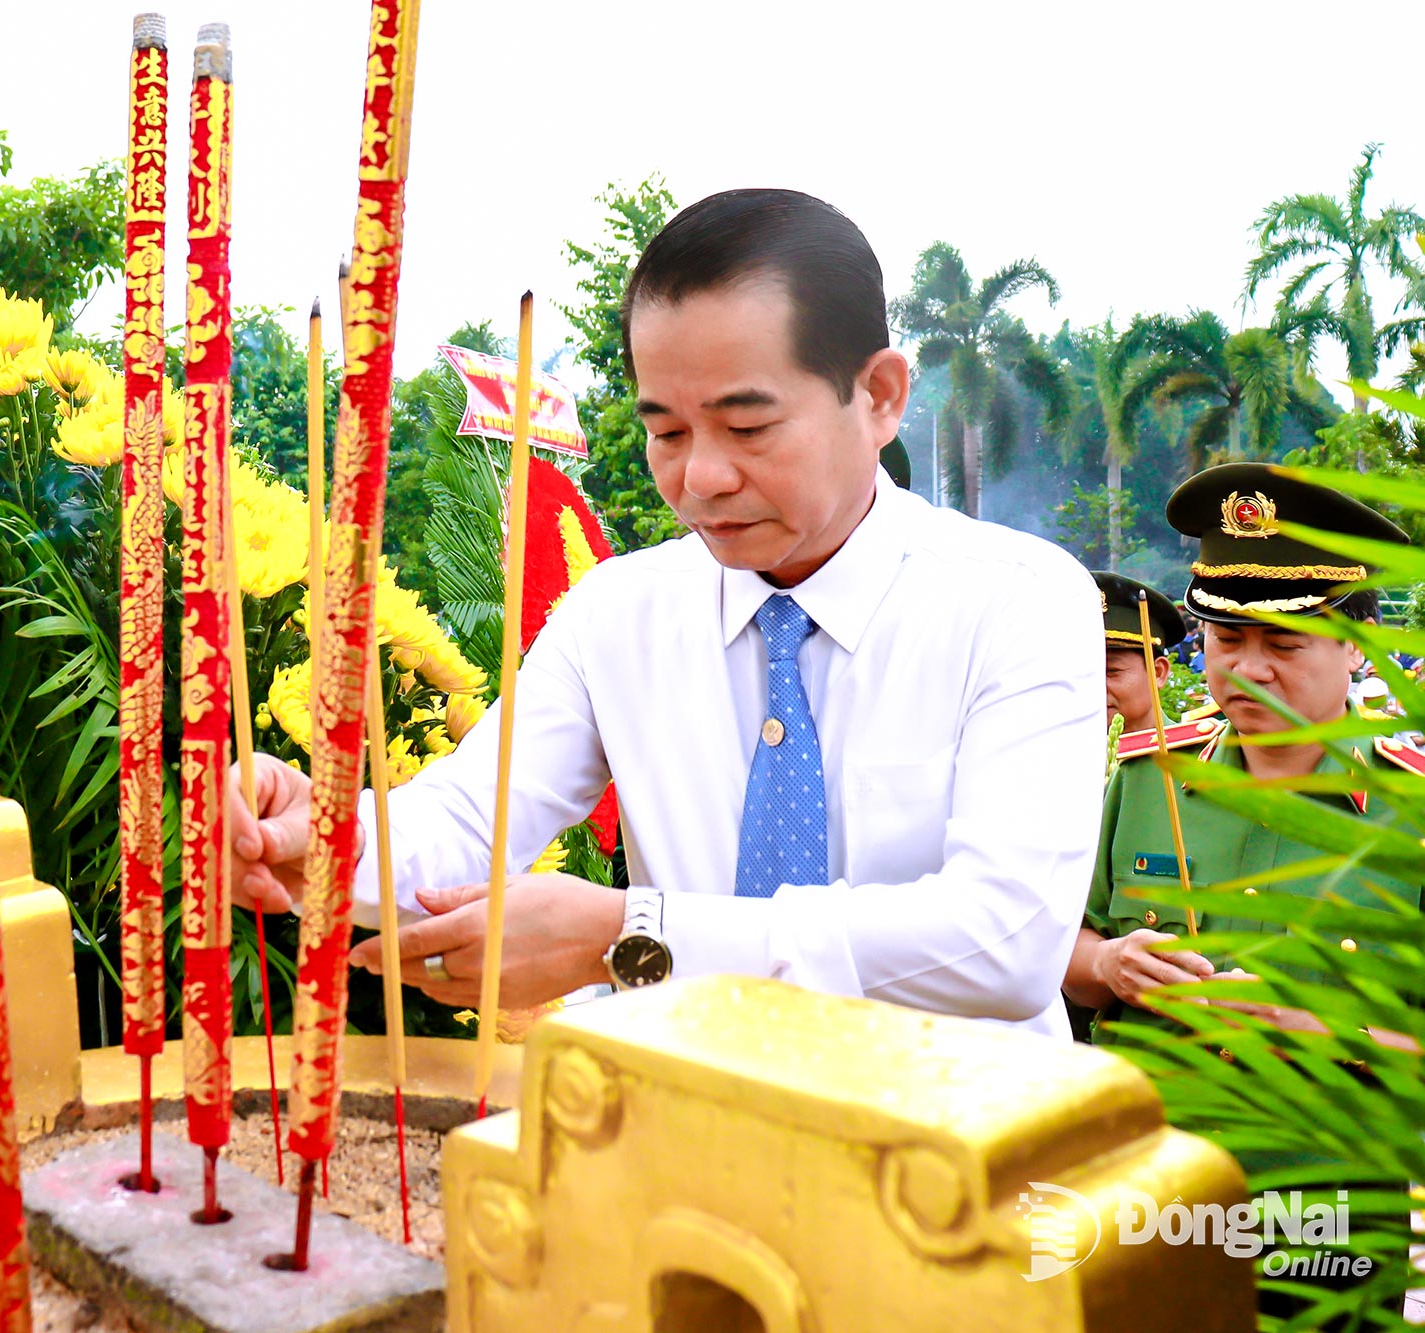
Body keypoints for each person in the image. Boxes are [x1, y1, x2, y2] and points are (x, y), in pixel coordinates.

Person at [232, 188, 1106, 1038]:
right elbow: (467, 823)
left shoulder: (1019, 604)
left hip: (952, 1155)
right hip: (682, 1140)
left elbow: (1004, 941)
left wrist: (630, 935)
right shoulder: (619, 614)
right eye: (668, 431)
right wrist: (318, 839)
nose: (701, 479)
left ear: (878, 395)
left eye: (748, 426)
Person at [1064, 464, 1419, 1034]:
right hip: (1149, 1115)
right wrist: (1109, 963)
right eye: (1226, 640)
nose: (1249, 671)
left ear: (1361, 646)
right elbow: (1064, 948)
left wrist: (1323, 1034)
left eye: (1284, 642)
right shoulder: (1146, 778)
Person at [1091, 570, 1186, 735]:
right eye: (1082, 674)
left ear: (1158, 673)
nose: (1092, 686)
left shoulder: (1201, 758)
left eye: (1111, 671)